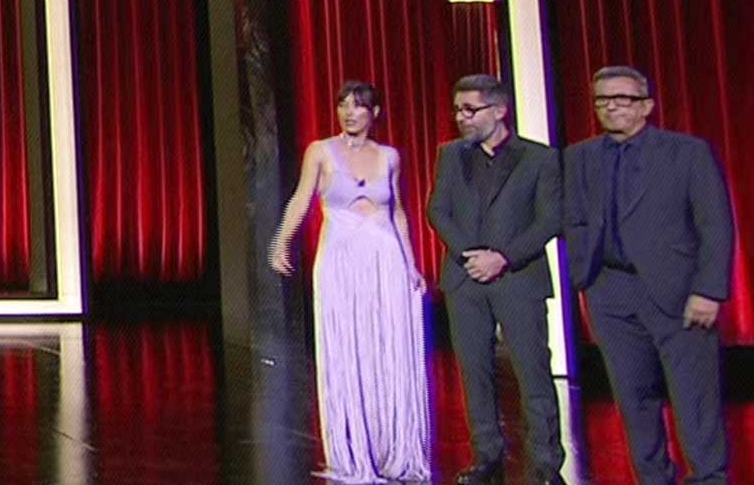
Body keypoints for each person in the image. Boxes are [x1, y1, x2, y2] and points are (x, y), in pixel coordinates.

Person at [563, 65, 731, 485]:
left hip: (678, 290)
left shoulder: (686, 152)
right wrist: (586, 275)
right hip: (610, 290)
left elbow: (715, 225)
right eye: (603, 100)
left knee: (695, 396)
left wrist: (709, 290)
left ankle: (710, 477)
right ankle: (654, 477)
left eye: (623, 99)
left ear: (647, 106)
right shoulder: (580, 156)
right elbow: (575, 217)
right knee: (633, 396)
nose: (612, 107)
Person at [269, 80, 430, 483]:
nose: (349, 112)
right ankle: (353, 450)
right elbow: (302, 199)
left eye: (359, 106)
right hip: (341, 260)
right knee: (348, 350)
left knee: (386, 349)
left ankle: (393, 448)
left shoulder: (390, 157)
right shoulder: (320, 152)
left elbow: (398, 213)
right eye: (343, 105)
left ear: (374, 113)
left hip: (385, 259)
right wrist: (280, 243)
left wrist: (411, 266)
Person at [426, 74, 565, 485]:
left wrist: (503, 257)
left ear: (499, 110)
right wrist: (471, 255)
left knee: (532, 370)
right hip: (465, 279)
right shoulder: (450, 155)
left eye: (470, 109)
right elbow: (438, 209)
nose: (461, 118)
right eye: (457, 110)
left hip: (517, 278)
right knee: (475, 372)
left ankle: (545, 464)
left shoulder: (539, 158)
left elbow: (550, 218)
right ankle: (487, 455)